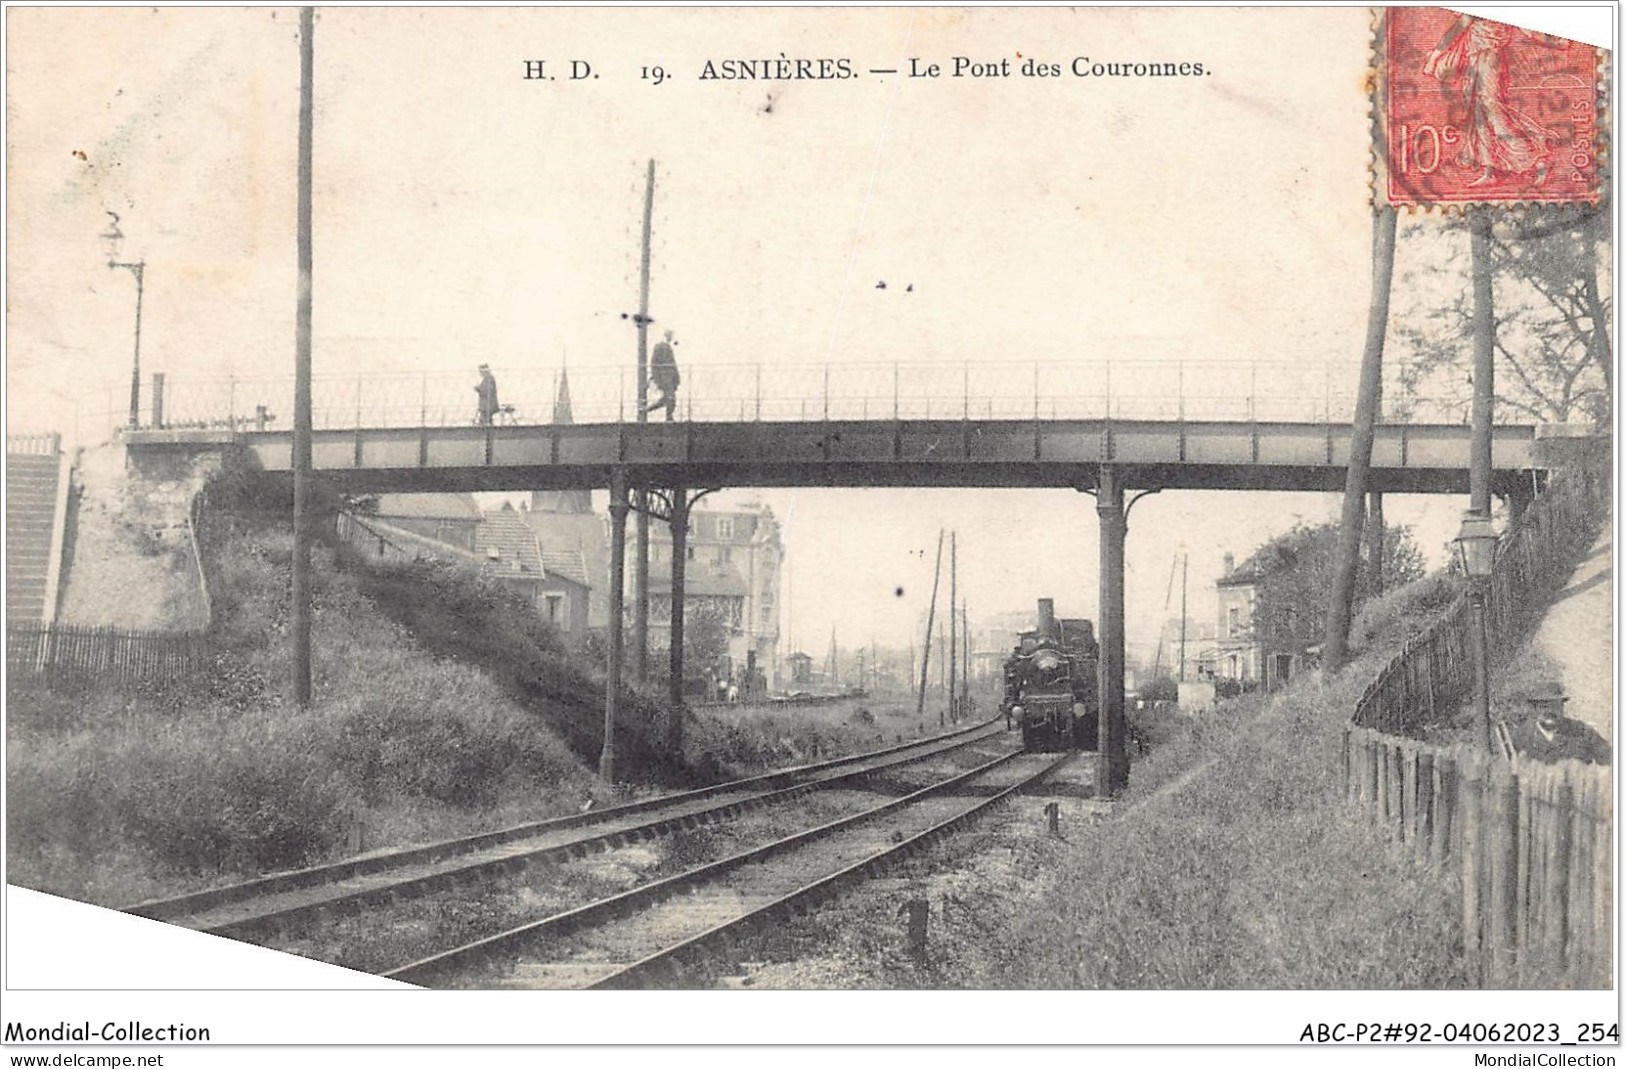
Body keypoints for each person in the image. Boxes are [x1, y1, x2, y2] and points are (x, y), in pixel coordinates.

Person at [646, 330, 680, 421]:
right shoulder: (660, 347)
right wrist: (657, 378)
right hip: (664, 377)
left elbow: (672, 364)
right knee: (670, 398)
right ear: (665, 336)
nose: (670, 338)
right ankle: (669, 417)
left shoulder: (667, 347)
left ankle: (645, 410)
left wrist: (676, 379)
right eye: (669, 336)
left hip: (669, 377)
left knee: (666, 399)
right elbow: (654, 363)